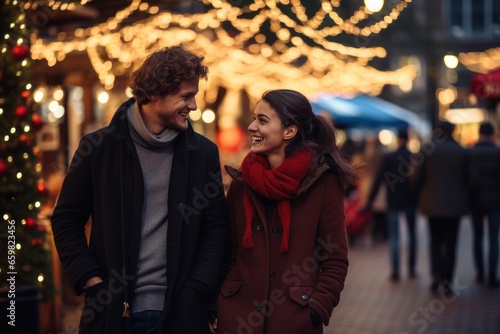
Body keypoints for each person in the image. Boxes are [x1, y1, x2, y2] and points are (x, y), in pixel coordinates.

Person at [51, 45, 230, 334]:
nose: (194, 106)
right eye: (186, 97)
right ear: (155, 94)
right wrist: (90, 278)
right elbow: (66, 218)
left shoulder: (203, 153)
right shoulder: (97, 148)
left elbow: (216, 229)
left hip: (182, 314)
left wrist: (197, 289)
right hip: (113, 313)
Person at [216, 89, 357, 334]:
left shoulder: (322, 183)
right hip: (238, 317)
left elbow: (334, 259)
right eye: (254, 118)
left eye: (262, 120)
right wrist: (220, 305)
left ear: (289, 131)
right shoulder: (241, 183)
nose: (251, 127)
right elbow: (229, 253)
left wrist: (316, 309)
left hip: (294, 320)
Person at [414, 121, 469, 297]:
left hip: (431, 204)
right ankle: (447, 281)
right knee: (451, 244)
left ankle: (436, 276)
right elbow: (469, 178)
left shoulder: (428, 149)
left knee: (435, 242)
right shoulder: (460, 150)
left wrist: (419, 195)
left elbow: (416, 176)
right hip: (455, 206)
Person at [365, 129, 417, 281]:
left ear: (398, 139)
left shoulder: (389, 157)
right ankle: (412, 269)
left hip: (393, 201)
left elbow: (379, 179)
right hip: (411, 201)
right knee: (412, 235)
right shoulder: (414, 157)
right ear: (407, 140)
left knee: (395, 237)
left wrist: (369, 200)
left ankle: (395, 271)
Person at [467, 122, 500, 288]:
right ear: (492, 134)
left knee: (477, 237)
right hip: (495, 202)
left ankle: (480, 273)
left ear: (479, 133)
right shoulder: (497, 152)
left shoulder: (471, 153)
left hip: (476, 202)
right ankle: (492, 275)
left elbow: (467, 179)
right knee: (494, 238)